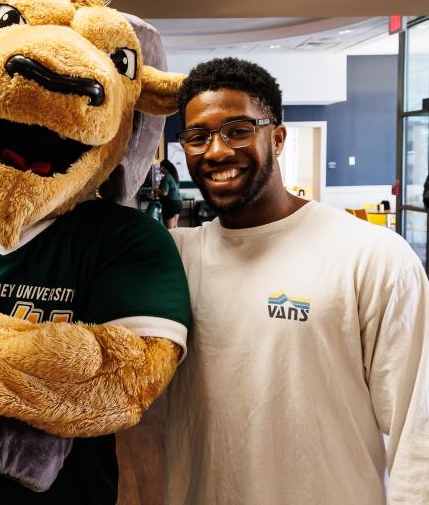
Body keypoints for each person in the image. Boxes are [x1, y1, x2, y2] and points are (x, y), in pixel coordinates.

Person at [165, 57, 429, 505]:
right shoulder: (176, 258)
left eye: (238, 129)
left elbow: (417, 428)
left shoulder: (370, 255)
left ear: (278, 137)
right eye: (198, 136)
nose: (217, 151)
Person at [152, 159, 183, 229]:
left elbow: (164, 193)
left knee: (170, 229)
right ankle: (177, 240)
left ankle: (172, 240)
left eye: (160, 167)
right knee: (175, 226)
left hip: (171, 204)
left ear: (163, 167)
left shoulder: (166, 177)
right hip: (179, 203)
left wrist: (155, 189)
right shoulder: (174, 176)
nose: (160, 169)